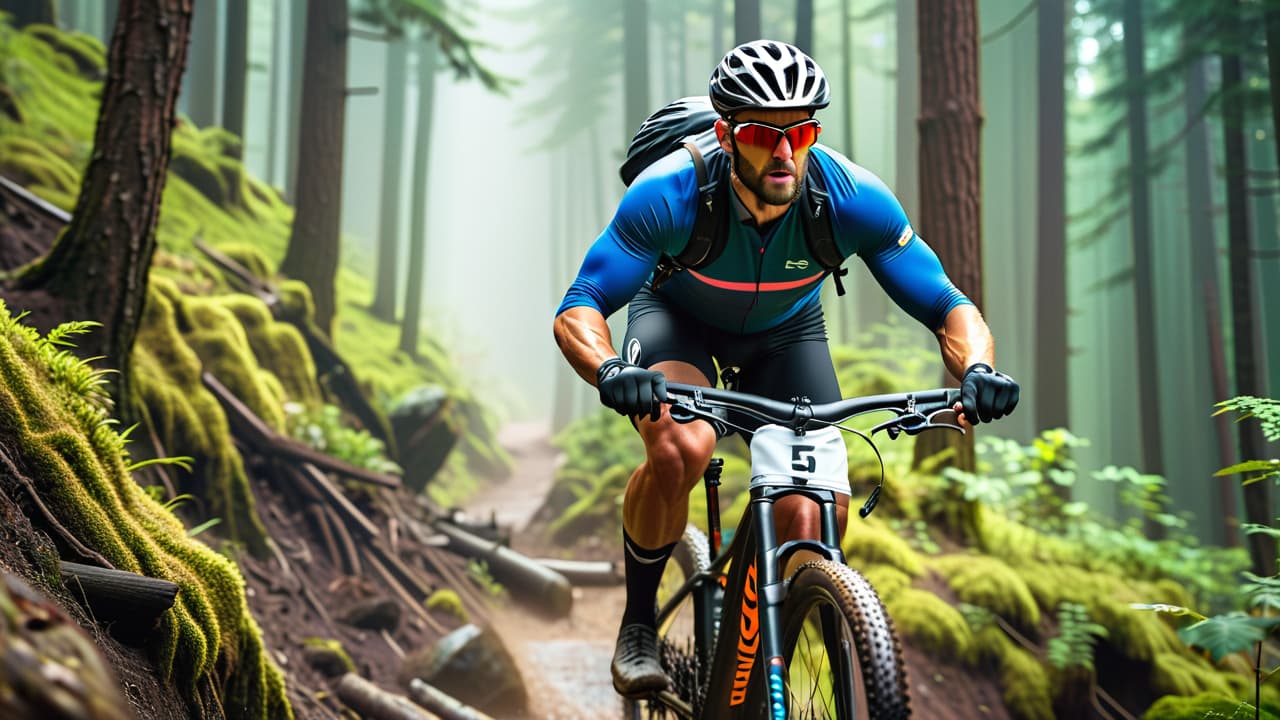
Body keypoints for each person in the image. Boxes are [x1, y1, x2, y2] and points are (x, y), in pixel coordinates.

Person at [552, 39, 1019, 698]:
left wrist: (977, 369)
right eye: (761, 135)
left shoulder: (852, 198)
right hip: (677, 320)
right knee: (681, 446)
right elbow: (580, 307)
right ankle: (638, 621)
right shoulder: (670, 195)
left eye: (799, 132)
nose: (783, 152)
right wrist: (607, 369)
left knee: (810, 517)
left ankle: (756, 655)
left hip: (785, 336)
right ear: (724, 133)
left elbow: (948, 304)